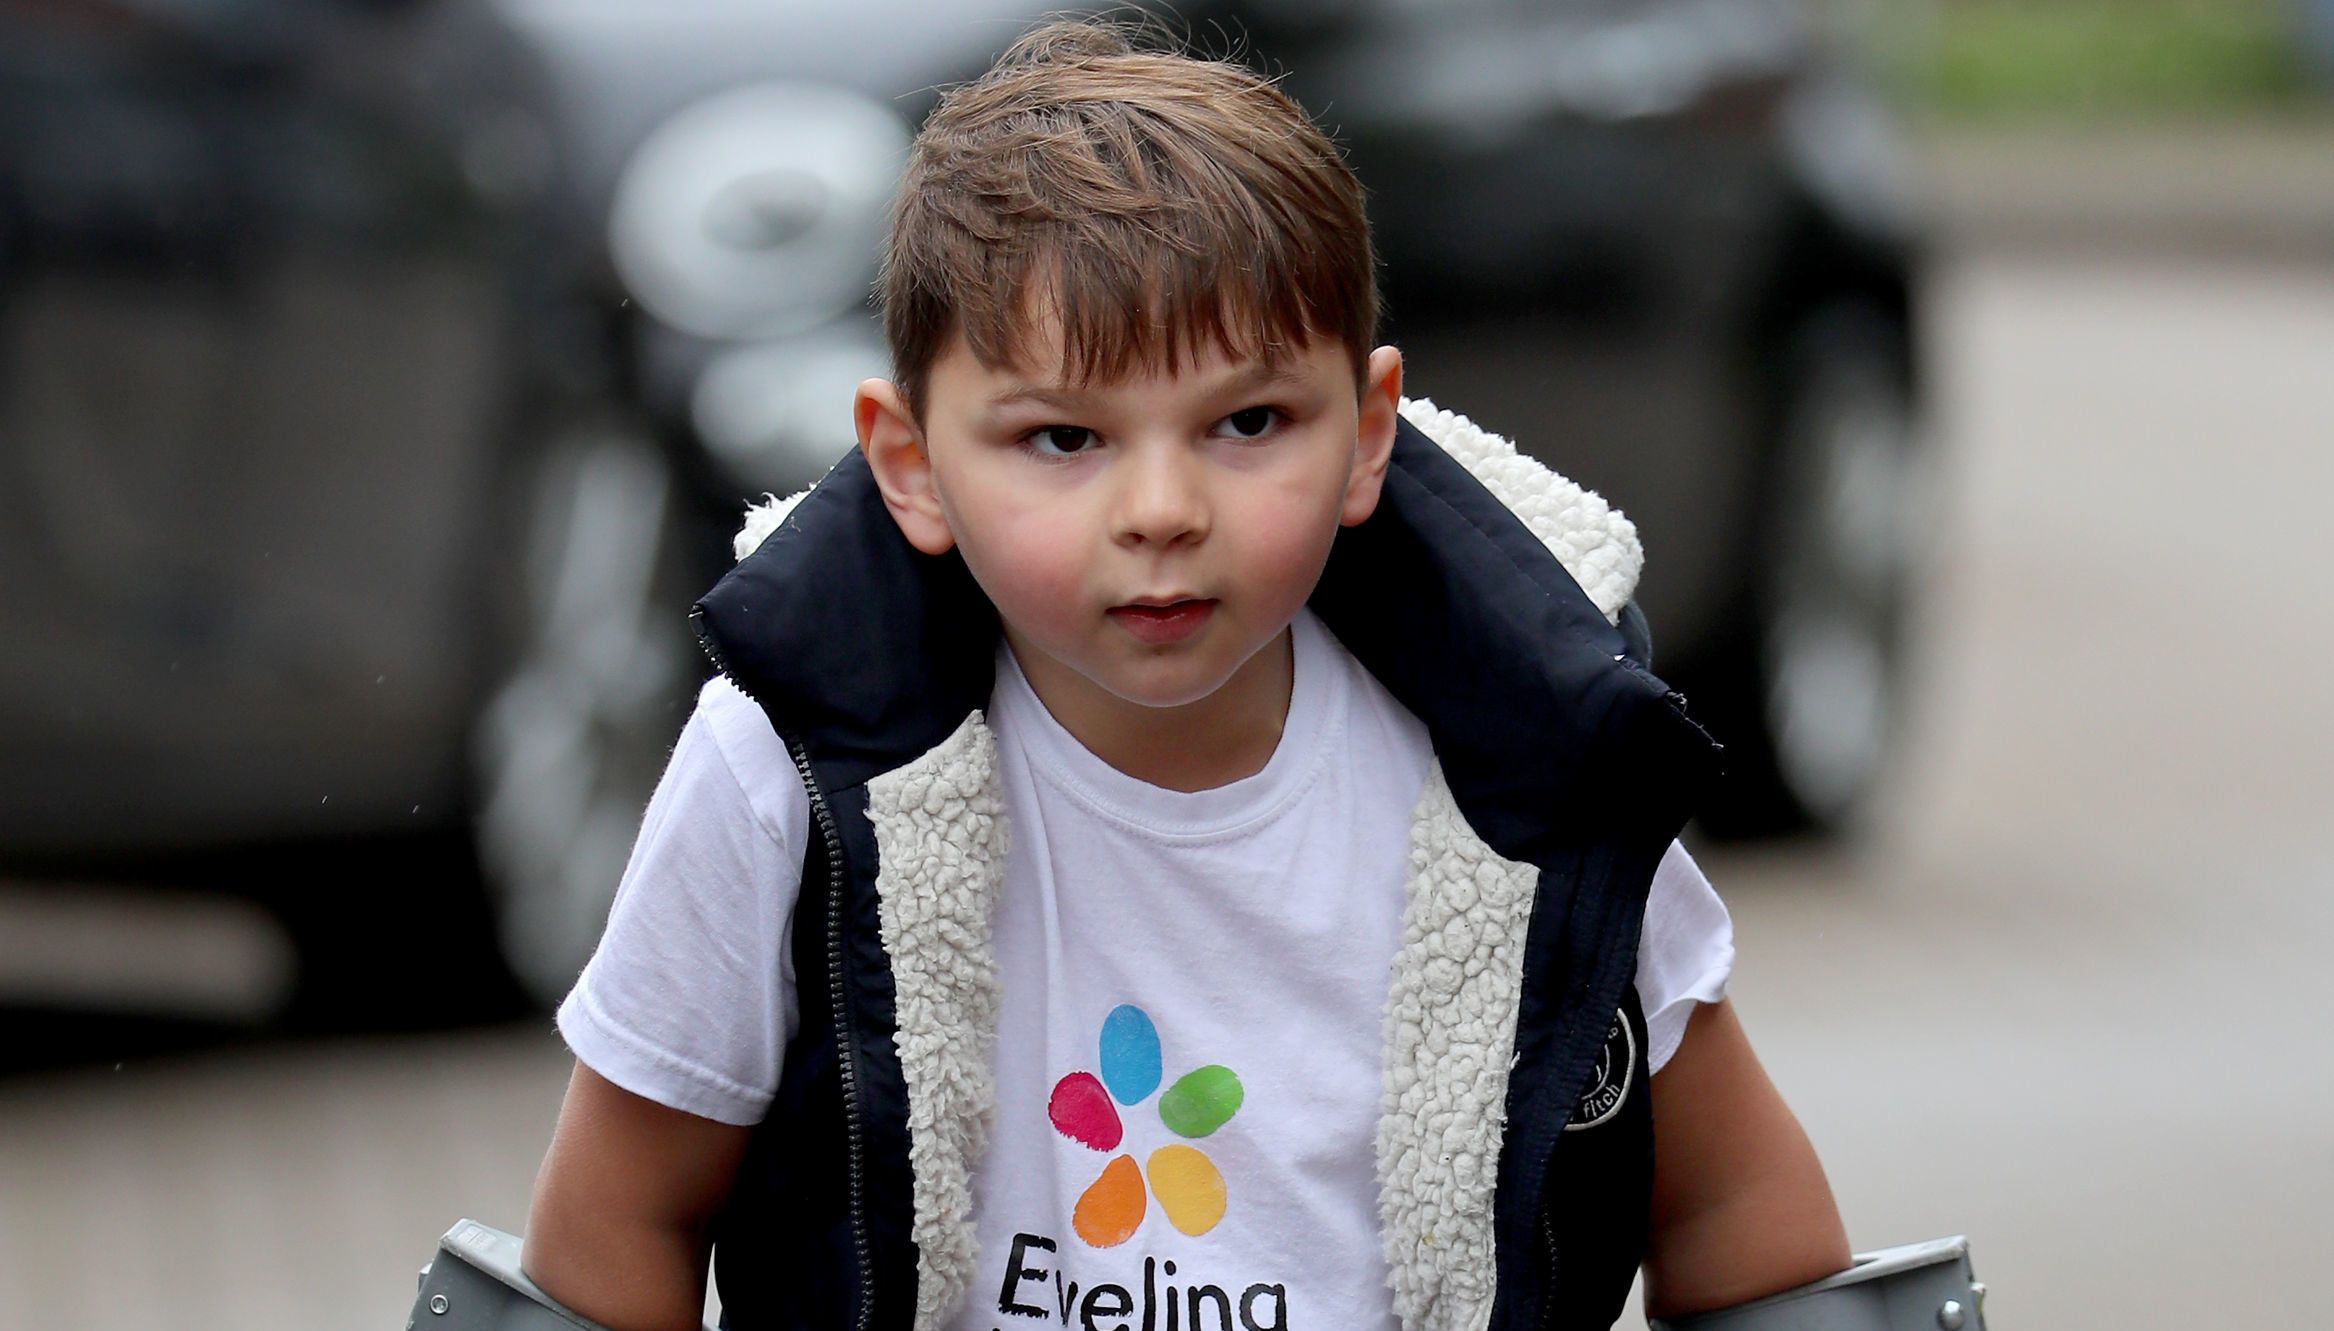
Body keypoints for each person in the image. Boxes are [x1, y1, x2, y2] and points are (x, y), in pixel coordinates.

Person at [521, 18, 1849, 1331]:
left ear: (1366, 433)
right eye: (1062, 437)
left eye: (1247, 423)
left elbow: (1750, 1232)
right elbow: (614, 1230)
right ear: (911, 465)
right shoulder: (786, 772)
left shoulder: (1540, 762)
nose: (1160, 508)